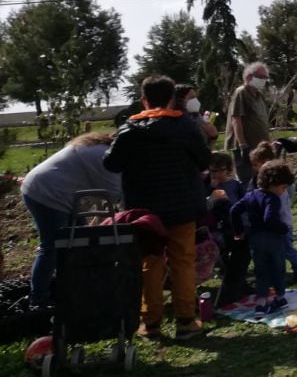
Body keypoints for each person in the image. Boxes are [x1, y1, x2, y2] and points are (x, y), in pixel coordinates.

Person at [104, 76, 211, 339]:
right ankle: (186, 320)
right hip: (182, 205)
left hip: (144, 213)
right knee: (183, 262)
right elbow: (203, 160)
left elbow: (111, 164)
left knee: (150, 264)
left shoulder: (129, 131)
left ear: (144, 100)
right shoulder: (185, 127)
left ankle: (150, 323)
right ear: (173, 99)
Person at [21, 132, 123, 306]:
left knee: (78, 243)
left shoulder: (95, 147)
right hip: (48, 194)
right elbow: (115, 194)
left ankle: (71, 290)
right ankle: (38, 300)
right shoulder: (102, 154)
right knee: (52, 247)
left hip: (47, 189)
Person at [230, 161, 295, 314]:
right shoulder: (271, 198)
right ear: (273, 184)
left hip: (255, 240)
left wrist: (239, 231)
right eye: (283, 187)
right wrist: (283, 228)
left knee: (261, 270)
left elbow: (234, 210)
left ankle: (261, 302)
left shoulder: (249, 195)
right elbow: (269, 219)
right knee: (278, 268)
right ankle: (280, 297)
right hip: (273, 239)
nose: (283, 191)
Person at [204, 152, 250, 303]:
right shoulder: (206, 187)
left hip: (238, 225)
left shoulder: (235, 185)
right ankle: (233, 286)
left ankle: (238, 283)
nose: (216, 174)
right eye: (213, 171)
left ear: (228, 169)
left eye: (220, 170)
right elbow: (203, 210)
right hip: (218, 230)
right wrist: (210, 192)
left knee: (245, 246)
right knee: (238, 245)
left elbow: (245, 204)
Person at [225, 62, 271, 186]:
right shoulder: (241, 93)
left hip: (259, 147)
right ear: (249, 77)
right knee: (247, 182)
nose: (264, 80)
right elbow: (236, 119)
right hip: (246, 147)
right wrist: (243, 145)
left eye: (265, 77)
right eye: (261, 77)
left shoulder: (259, 95)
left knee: (261, 181)